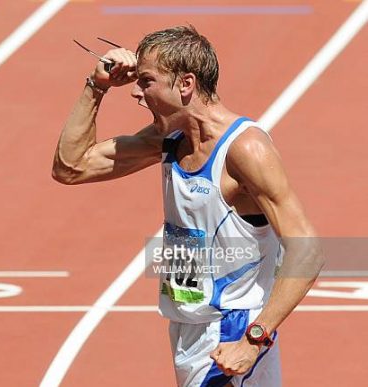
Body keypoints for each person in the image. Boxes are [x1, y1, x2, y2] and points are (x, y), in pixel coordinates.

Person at [52, 25, 323, 387]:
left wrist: (254, 339)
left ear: (186, 84)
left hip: (232, 330)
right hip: (188, 326)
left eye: (146, 81)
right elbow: (71, 167)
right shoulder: (170, 139)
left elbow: (308, 250)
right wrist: (96, 86)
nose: (135, 92)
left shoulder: (244, 149)